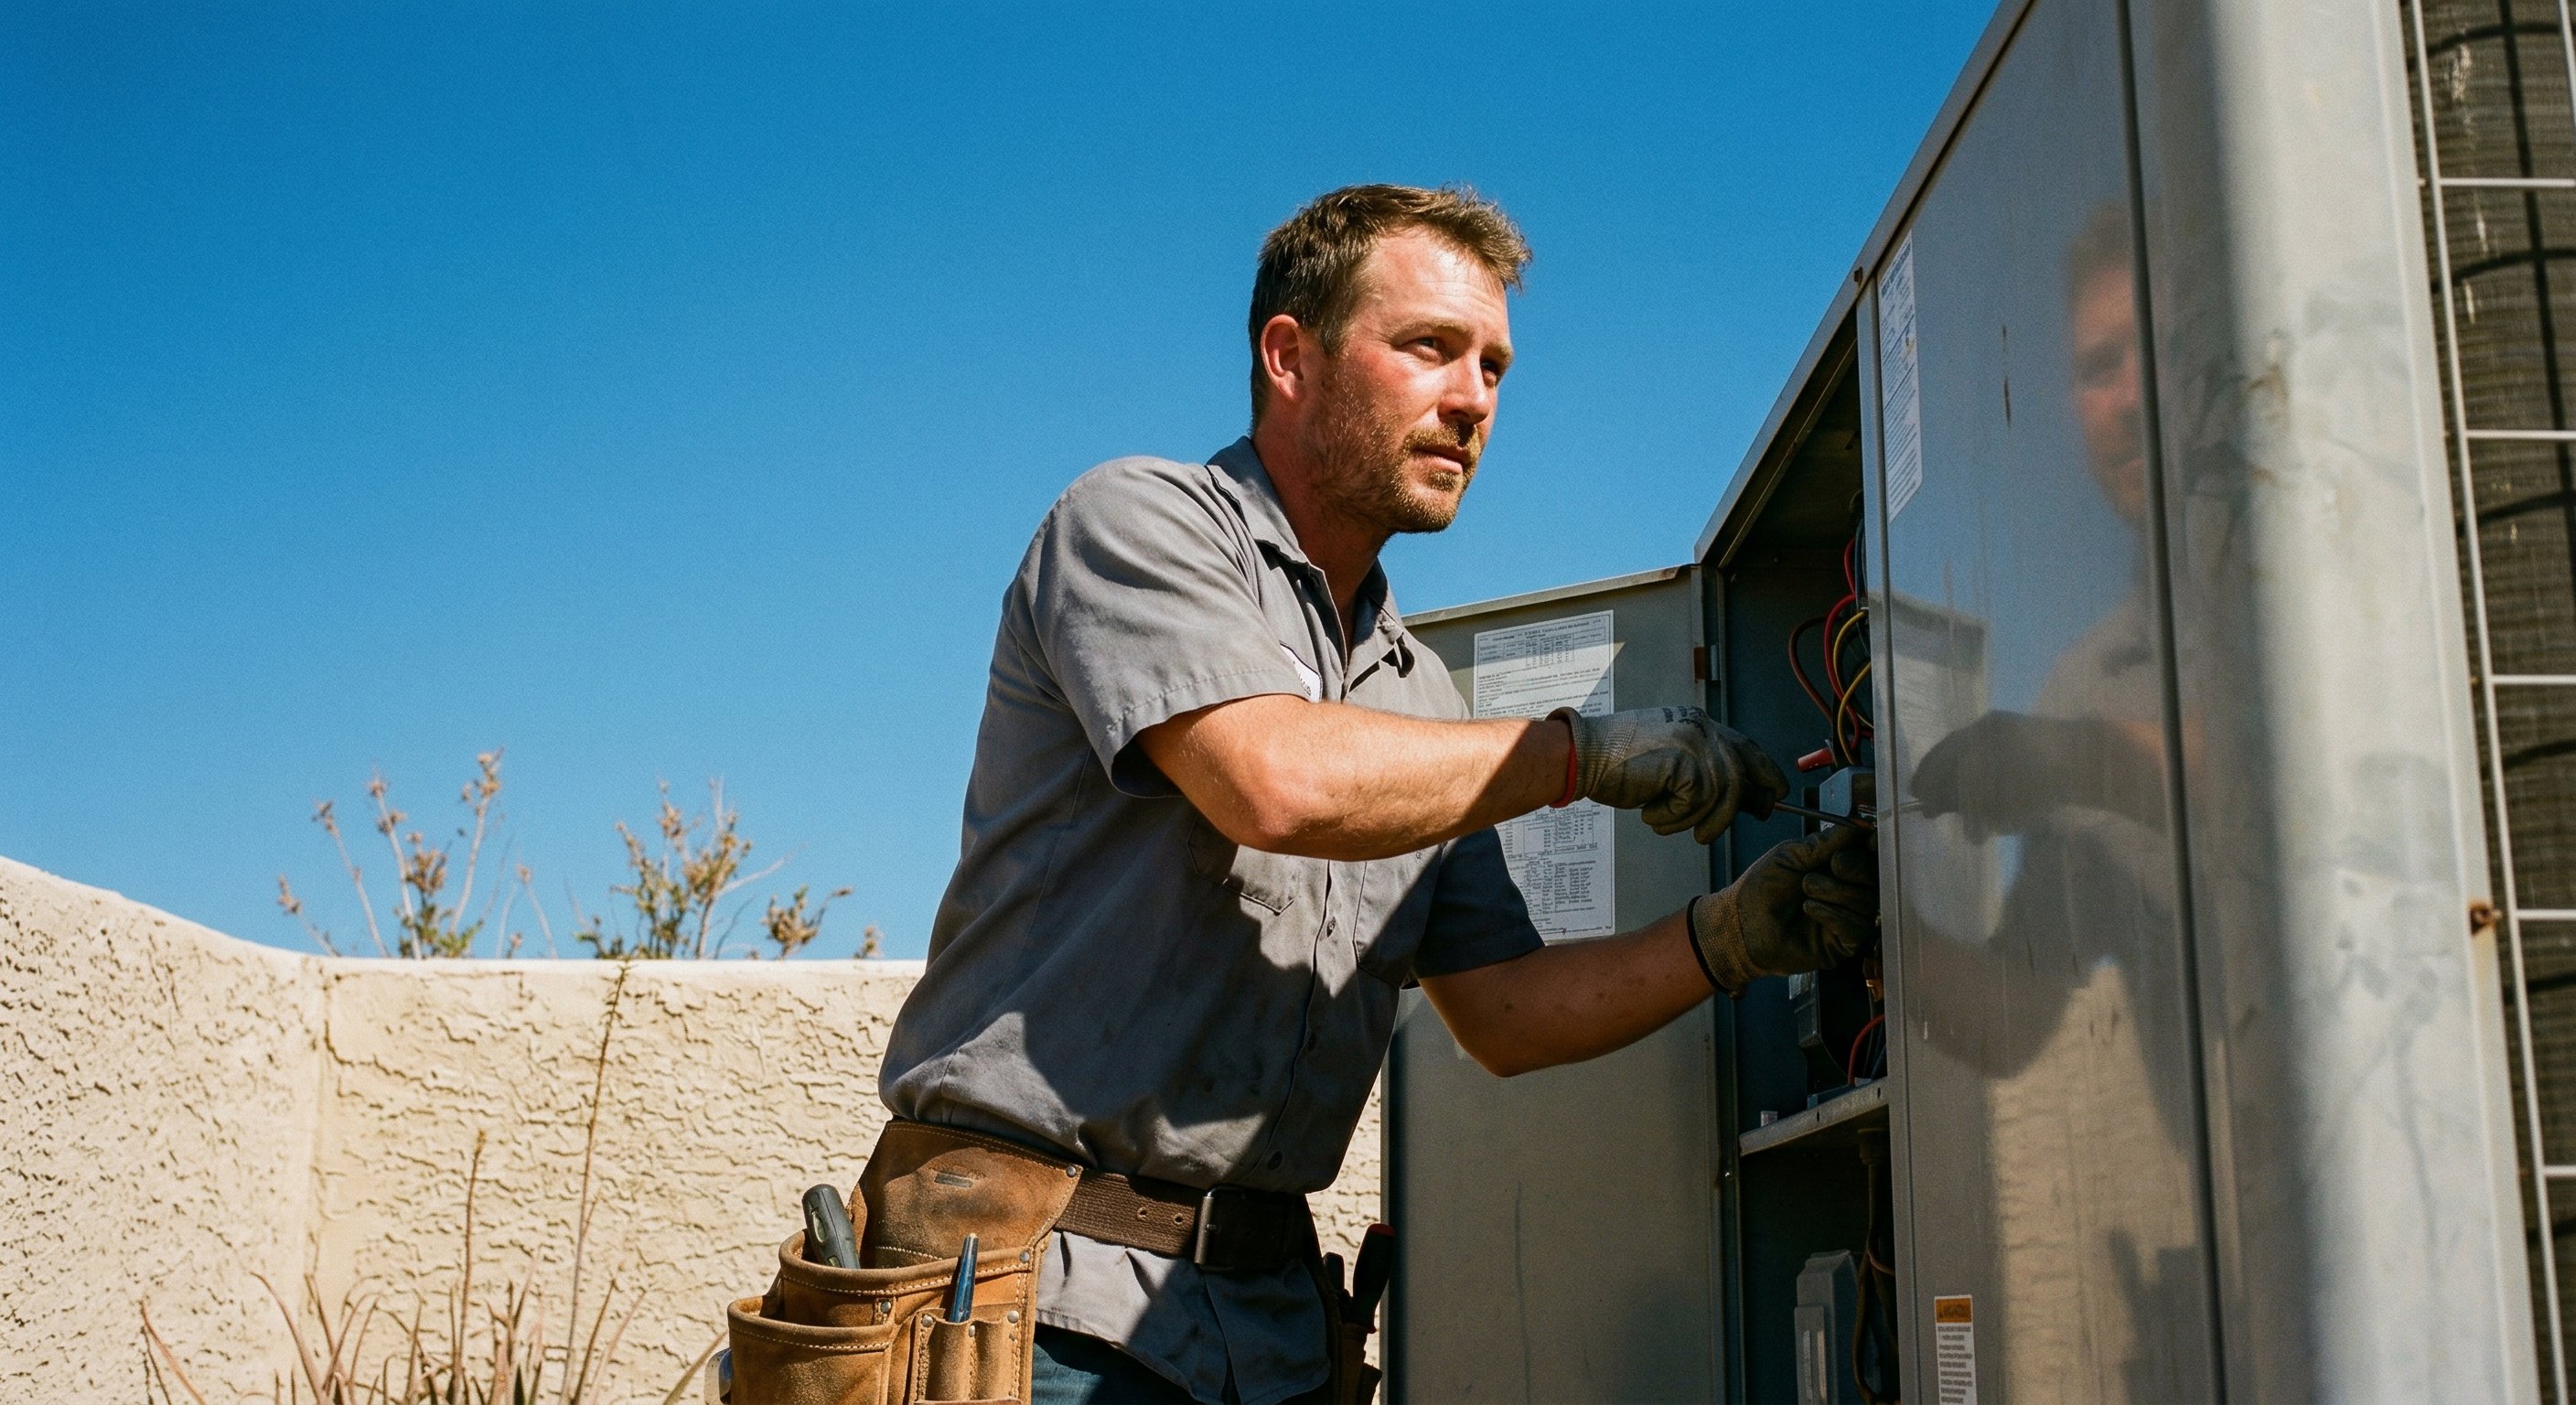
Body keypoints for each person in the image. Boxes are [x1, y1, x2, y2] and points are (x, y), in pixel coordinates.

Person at [875, 184, 1878, 1405]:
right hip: (1036, 1316)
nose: (1473, 401)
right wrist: (1586, 754)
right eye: (1429, 350)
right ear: (1288, 356)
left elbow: (1503, 1014)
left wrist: (1728, 939)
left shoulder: (1421, 699)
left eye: (1496, 368)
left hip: (1268, 1330)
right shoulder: (1139, 524)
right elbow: (1273, 782)